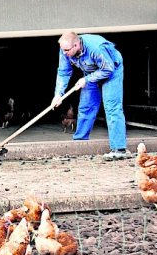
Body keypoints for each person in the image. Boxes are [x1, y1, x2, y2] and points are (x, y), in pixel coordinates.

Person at [51, 31, 129, 160]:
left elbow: (107, 69)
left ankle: (119, 149)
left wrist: (86, 80)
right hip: (91, 72)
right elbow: (64, 72)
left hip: (111, 70)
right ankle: (80, 144)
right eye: (63, 50)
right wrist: (58, 94)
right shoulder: (65, 50)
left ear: (76, 45)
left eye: (67, 50)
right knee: (86, 106)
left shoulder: (96, 48)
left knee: (112, 107)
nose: (64, 53)